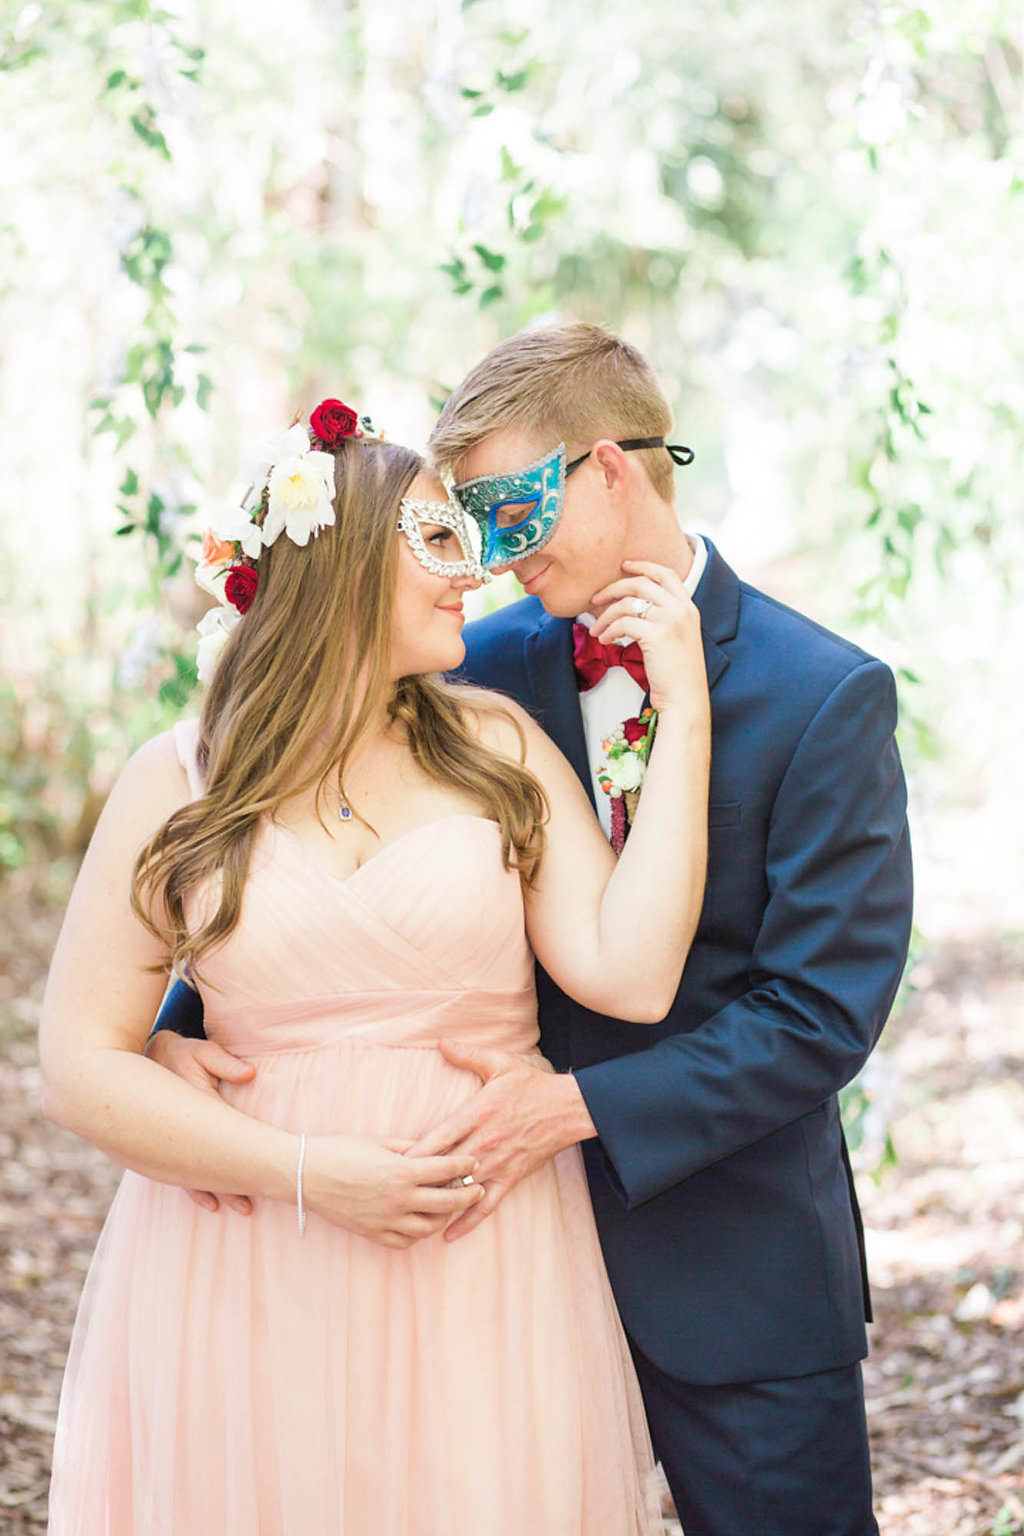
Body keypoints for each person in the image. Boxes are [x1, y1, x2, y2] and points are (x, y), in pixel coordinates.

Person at [152, 325, 914, 1536]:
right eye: (473, 524)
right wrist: (179, 1025)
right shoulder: (474, 667)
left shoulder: (823, 693)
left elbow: (818, 1014)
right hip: (471, 1265)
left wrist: (577, 1108)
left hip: (729, 1263)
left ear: (609, 468)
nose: (495, 558)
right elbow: (320, 859)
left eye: (513, 512)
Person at [40, 398, 711, 1536]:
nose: (476, 570)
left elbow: (633, 977)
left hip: (480, 1250)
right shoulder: (181, 777)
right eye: (438, 541)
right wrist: (305, 1171)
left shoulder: (495, 746)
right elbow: (77, 1065)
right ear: (343, 565)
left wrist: (683, 702)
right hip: (246, 1249)